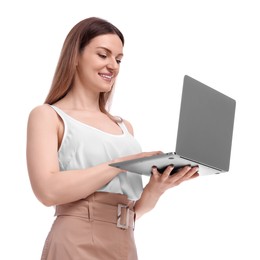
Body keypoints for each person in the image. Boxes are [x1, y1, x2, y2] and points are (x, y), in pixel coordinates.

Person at [26, 17, 199, 260]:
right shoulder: (48, 116)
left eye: (118, 59)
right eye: (103, 55)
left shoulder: (123, 126)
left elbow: (135, 209)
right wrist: (120, 164)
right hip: (77, 241)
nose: (113, 66)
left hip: (124, 241)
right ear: (75, 56)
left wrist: (156, 189)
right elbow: (47, 191)